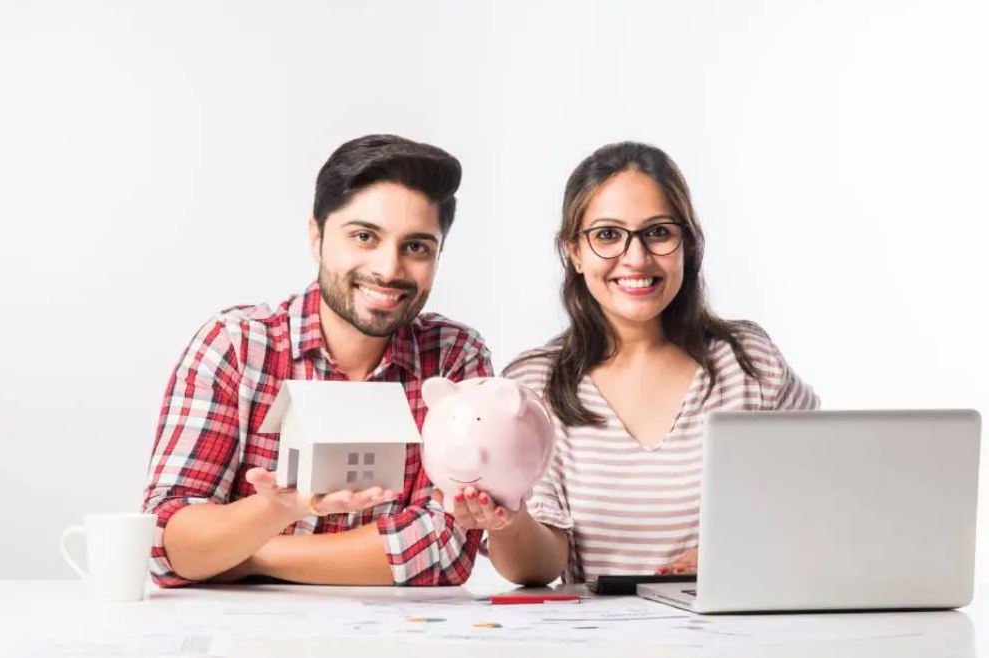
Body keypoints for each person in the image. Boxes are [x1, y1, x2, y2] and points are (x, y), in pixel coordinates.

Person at [448, 141, 818, 585]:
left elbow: (817, 495)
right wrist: (505, 520)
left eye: (658, 232)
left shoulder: (748, 362)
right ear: (574, 253)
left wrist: (734, 550)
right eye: (607, 235)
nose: (636, 258)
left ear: (688, 243)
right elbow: (539, 567)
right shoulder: (535, 385)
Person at [142, 134, 492, 587]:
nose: (388, 269)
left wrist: (251, 553)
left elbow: (446, 547)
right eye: (364, 236)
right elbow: (167, 543)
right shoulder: (236, 346)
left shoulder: (453, 357)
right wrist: (278, 507)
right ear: (316, 236)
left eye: (417, 247)